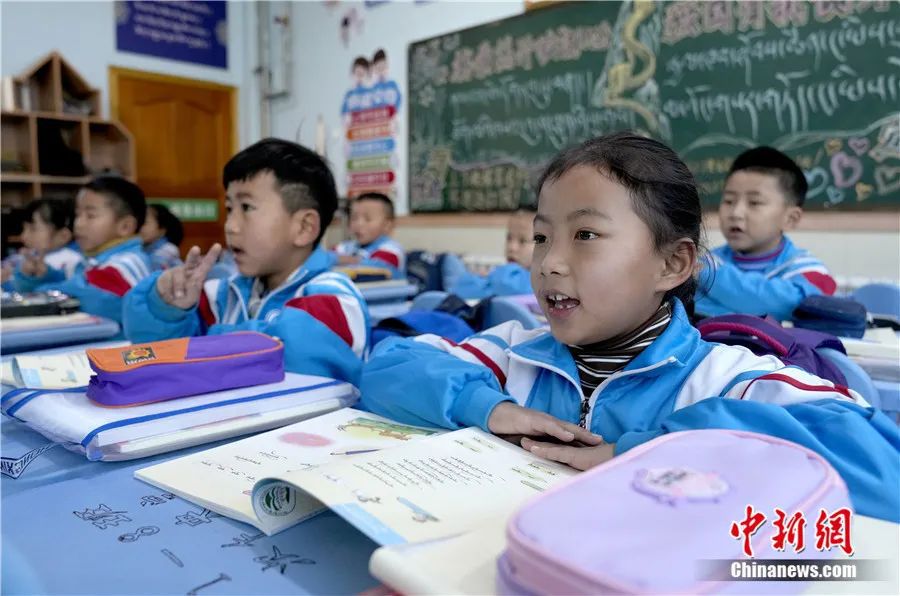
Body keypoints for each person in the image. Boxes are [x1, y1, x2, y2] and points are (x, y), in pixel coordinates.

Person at [359, 132, 899, 521]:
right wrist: (489, 408)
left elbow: (882, 465)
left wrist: (651, 450)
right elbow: (389, 366)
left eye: (586, 235)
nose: (548, 263)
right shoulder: (514, 354)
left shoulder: (723, 380)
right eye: (542, 237)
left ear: (672, 264)